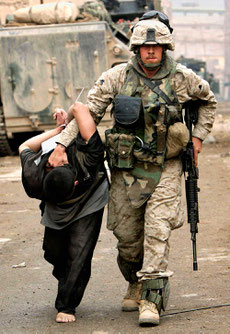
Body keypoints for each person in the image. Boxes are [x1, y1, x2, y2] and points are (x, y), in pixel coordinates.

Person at [47, 11, 216, 326]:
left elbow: (208, 101)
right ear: (136, 48)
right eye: (144, 47)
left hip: (166, 168)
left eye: (156, 47)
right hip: (126, 171)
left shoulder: (183, 78)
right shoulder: (116, 77)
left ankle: (151, 301)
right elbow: (90, 112)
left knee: (157, 231)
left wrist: (198, 137)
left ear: (165, 48)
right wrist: (60, 145)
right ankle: (134, 280)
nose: (150, 52)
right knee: (127, 239)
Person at [19, 103, 109, 323]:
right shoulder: (33, 178)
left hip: (89, 199)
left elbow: (80, 107)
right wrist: (58, 131)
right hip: (55, 208)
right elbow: (24, 147)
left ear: (75, 181)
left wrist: (62, 135)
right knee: (54, 251)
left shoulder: (89, 156)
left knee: (79, 252)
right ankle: (66, 277)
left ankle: (67, 305)